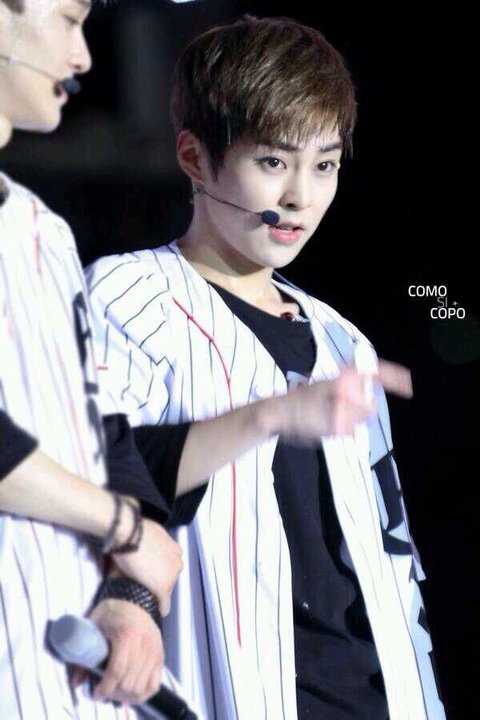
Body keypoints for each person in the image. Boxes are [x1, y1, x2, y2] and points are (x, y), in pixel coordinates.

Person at [86, 15, 446, 720]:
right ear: (195, 158)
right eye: (274, 163)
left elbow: (393, 563)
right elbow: (105, 473)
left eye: (325, 165)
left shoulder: (342, 340)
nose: (300, 197)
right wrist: (272, 415)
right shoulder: (127, 295)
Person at [0, 1, 183, 717]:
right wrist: (124, 528)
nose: (83, 58)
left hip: (74, 664)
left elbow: (99, 424)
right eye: (69, 20)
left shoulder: (45, 229)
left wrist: (130, 591)